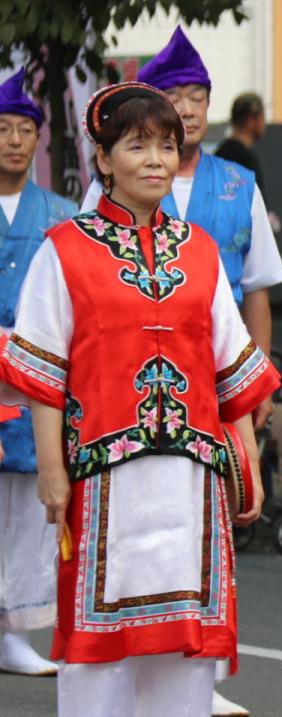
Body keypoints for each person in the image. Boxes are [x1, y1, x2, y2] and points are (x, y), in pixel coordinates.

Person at [1, 81, 278, 717]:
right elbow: (43, 370)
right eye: (137, 145)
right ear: (103, 158)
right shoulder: (65, 251)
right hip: (105, 482)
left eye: (166, 144)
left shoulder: (201, 252)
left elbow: (232, 368)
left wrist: (245, 459)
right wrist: (52, 469)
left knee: (183, 643)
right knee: (102, 647)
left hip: (191, 482)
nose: (157, 158)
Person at [81, 25, 282, 717]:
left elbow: (256, 290)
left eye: (198, 95)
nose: (189, 108)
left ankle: (200, 671)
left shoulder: (239, 184)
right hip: (128, 392)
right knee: (135, 539)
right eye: (175, 96)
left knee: (210, 530)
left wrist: (256, 384)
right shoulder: (113, 186)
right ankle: (127, 670)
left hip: (214, 381)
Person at [0, 68, 77, 676]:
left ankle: (13, 628)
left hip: (32, 368)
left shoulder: (61, 212)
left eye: (25, 130)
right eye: (3, 129)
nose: (15, 141)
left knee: (28, 502)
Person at [215, 92, 266, 186]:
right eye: (262, 117)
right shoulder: (247, 161)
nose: (264, 123)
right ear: (251, 120)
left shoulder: (219, 154)